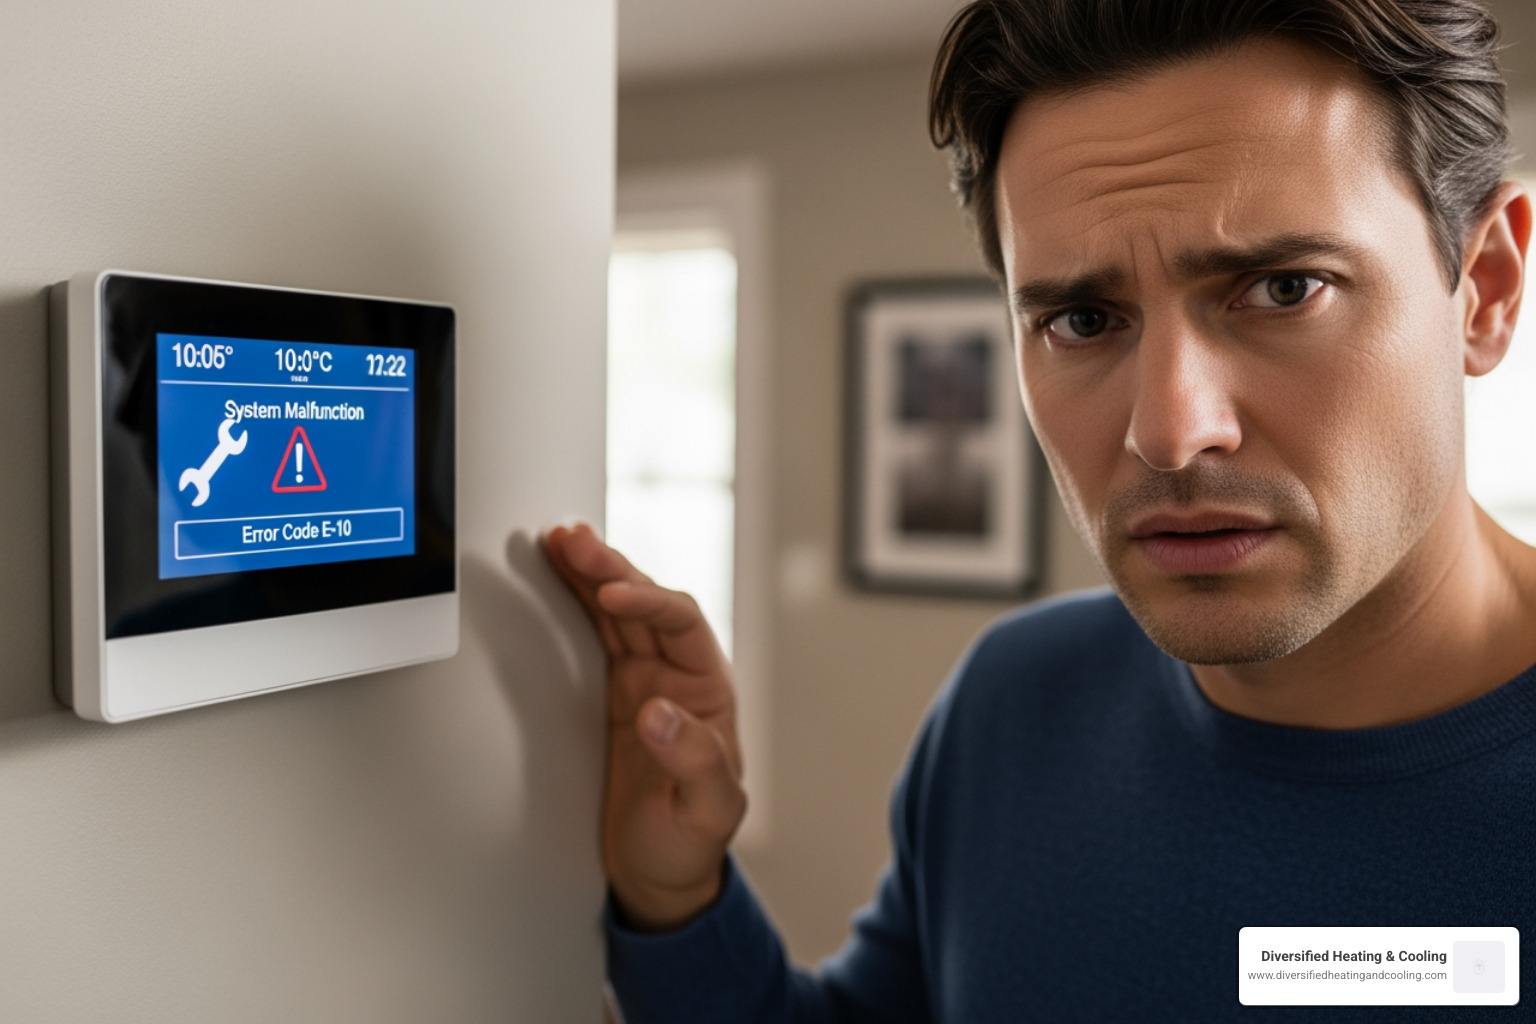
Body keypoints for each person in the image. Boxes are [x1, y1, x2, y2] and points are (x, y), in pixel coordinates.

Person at [544, 0, 1536, 1018]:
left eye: (1284, 288)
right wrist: (679, 896)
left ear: (1488, 288)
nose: (1169, 430)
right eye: (1082, 319)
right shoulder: (1014, 703)